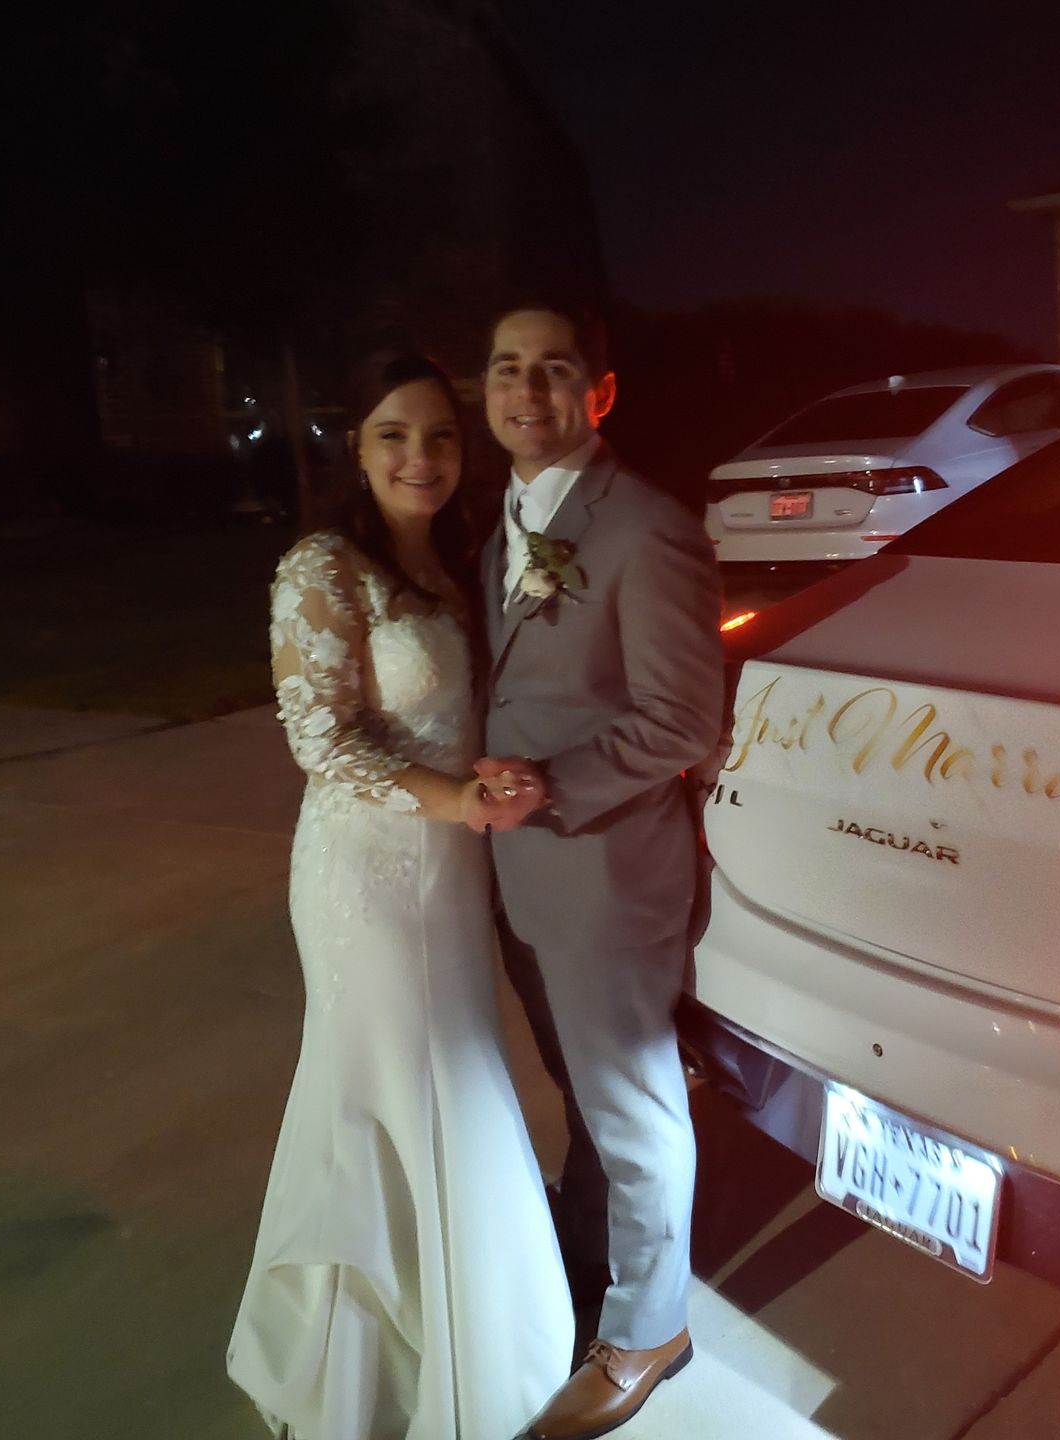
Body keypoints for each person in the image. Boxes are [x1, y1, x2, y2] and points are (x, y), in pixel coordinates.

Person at [227, 348, 573, 1439]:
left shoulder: (460, 563)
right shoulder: (323, 567)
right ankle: (371, 1362)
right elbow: (321, 736)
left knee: (456, 1071)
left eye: (438, 436)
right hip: (366, 874)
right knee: (391, 1079)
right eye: (393, 434)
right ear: (355, 446)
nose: (419, 456)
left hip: (454, 867)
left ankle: (459, 1326)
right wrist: (454, 799)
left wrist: (498, 782)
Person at [475, 302, 725, 1440]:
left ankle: (647, 1329)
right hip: (528, 872)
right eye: (506, 368)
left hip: (607, 867)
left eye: (554, 369)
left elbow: (683, 720)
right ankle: (597, 1257)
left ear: (601, 392)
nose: (527, 390)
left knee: (633, 1106)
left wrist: (551, 787)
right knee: (589, 1096)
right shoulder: (509, 521)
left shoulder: (649, 526)